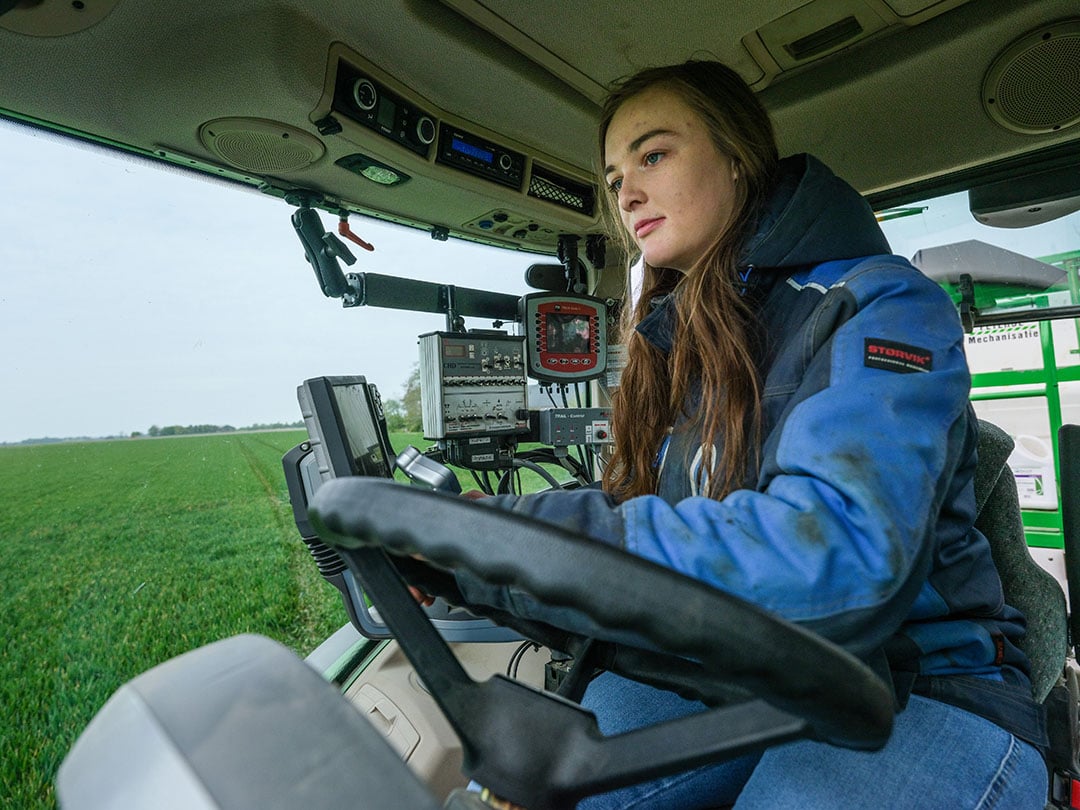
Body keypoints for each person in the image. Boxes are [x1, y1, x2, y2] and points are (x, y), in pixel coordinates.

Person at [442, 60, 1049, 808]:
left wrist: (507, 537)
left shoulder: (878, 305)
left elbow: (835, 555)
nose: (627, 192)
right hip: (738, 674)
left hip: (918, 688)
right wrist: (466, 556)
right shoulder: (677, 349)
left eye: (653, 155)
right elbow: (651, 536)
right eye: (612, 179)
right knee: (524, 788)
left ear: (737, 157)